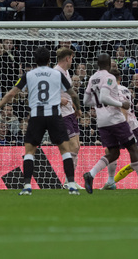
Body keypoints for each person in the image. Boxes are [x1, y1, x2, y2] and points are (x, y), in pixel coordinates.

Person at [0, 47, 83, 195]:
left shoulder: (29, 75)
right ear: (49, 60)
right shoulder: (56, 74)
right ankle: (71, 185)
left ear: (35, 61)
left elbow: (11, 93)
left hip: (37, 116)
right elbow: (73, 95)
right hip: (54, 116)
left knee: (30, 152)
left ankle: (26, 187)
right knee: (65, 150)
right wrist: (77, 108)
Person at [82, 53, 138, 193]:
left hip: (101, 121)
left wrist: (100, 104)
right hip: (115, 119)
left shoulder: (92, 78)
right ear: (109, 63)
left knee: (113, 153)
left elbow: (86, 101)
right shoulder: (110, 77)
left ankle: (91, 174)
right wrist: (121, 104)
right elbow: (104, 97)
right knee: (133, 148)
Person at [53, 47, 84, 189]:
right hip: (61, 114)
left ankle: (69, 180)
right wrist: (59, 99)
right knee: (72, 146)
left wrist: (75, 108)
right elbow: (46, 93)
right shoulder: (55, 72)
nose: (72, 61)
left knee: (76, 147)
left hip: (70, 112)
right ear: (67, 58)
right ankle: (68, 181)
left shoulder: (66, 72)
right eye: (71, 58)